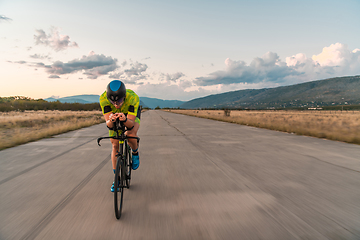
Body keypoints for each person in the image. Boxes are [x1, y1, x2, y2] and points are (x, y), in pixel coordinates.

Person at [99, 80, 141, 192]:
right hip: (114, 117)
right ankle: (116, 178)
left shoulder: (133, 97)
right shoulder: (103, 99)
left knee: (130, 134)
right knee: (115, 144)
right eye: (113, 102)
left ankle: (135, 152)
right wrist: (111, 121)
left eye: (120, 101)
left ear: (124, 96)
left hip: (130, 116)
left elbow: (131, 125)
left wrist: (125, 119)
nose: (116, 104)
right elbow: (109, 125)